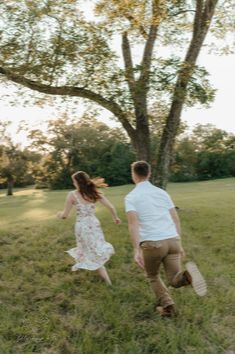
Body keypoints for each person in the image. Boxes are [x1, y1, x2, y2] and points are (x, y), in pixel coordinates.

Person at [125, 161, 207, 317]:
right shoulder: (162, 193)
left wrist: (136, 249)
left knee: (152, 276)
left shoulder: (131, 197)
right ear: (149, 174)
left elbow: (133, 225)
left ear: (133, 175)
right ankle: (186, 276)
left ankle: (169, 307)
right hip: (172, 240)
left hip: (153, 244)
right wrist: (180, 243)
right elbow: (176, 219)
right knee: (174, 280)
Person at [57, 171, 121, 285]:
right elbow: (110, 206)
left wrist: (59, 215)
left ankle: (107, 281)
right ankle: (94, 262)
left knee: (91, 251)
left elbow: (65, 215)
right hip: (94, 224)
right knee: (94, 247)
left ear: (78, 182)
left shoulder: (72, 195)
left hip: (82, 226)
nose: (73, 183)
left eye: (74, 181)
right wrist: (115, 217)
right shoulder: (93, 192)